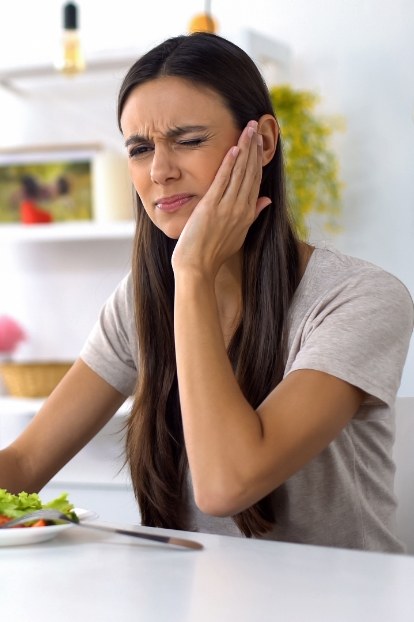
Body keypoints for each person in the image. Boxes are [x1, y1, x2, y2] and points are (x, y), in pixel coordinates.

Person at [0, 32, 412, 552]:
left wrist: (192, 271)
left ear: (262, 142)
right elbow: (24, 464)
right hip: (188, 594)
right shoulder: (140, 300)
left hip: (338, 599)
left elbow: (226, 486)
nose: (160, 171)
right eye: (140, 149)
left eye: (189, 140)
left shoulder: (359, 298)